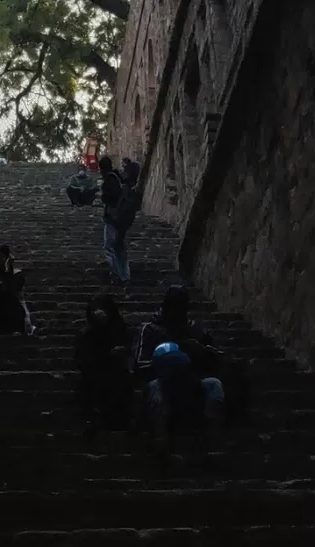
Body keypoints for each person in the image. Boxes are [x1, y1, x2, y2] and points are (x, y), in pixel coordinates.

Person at [133, 285, 223, 436]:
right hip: (161, 380)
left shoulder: (194, 330)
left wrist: (198, 351)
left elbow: (215, 357)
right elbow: (140, 365)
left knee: (215, 385)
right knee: (157, 390)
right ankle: (161, 440)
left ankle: (212, 437)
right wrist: (165, 360)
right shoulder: (151, 329)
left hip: (191, 380)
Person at [75, 294, 130, 433]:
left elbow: (126, 346)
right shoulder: (88, 334)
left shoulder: (118, 327)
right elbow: (83, 358)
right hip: (95, 374)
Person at [0, 245, 34, 336]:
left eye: (0, 257)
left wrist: (8, 270)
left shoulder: (17, 274)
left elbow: (12, 289)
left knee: (7, 297)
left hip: (13, 310)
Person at [98, 155, 135, 285]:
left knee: (110, 246)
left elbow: (111, 197)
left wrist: (102, 195)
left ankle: (116, 274)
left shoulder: (109, 179)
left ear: (101, 168)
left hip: (113, 218)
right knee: (119, 247)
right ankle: (125, 276)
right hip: (122, 218)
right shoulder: (117, 177)